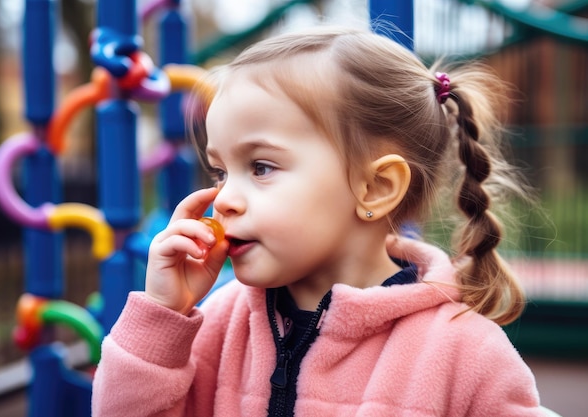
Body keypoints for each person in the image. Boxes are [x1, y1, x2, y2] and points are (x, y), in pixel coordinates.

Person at [92, 25, 546, 416]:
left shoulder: (464, 354)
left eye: (261, 167)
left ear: (376, 188)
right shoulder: (217, 324)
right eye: (220, 171)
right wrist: (162, 321)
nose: (224, 199)